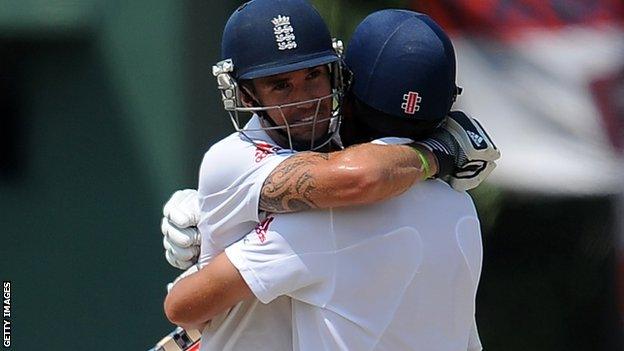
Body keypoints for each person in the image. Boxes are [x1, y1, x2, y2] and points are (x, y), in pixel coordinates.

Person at [163, 8, 493, 351]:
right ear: (246, 95)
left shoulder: (326, 214)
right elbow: (362, 177)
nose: (306, 100)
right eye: (280, 85)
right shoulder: (461, 207)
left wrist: (203, 279)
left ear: (343, 80)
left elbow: (184, 306)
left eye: (314, 75)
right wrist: (439, 152)